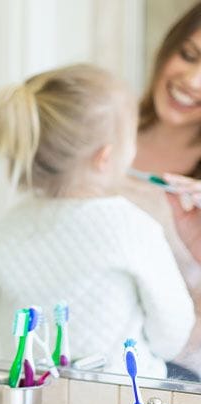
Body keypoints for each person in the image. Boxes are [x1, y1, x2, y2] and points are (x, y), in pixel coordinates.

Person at [0, 64, 195, 378]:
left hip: (33, 395)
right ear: (105, 157)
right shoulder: (134, 229)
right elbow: (173, 331)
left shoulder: (9, 225)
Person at [121, 2, 201, 377]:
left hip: (184, 380)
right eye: (188, 55)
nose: (193, 81)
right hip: (88, 362)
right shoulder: (97, 132)